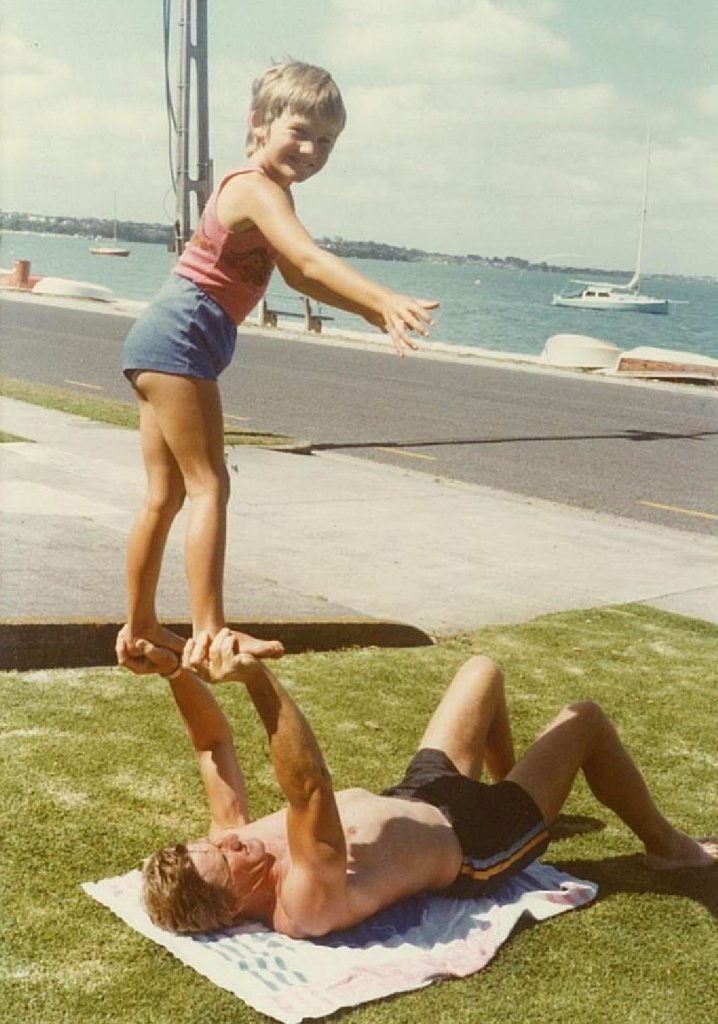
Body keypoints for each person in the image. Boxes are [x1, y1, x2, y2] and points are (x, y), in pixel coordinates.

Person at [121, 61, 439, 658]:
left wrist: (371, 313)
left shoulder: (270, 193)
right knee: (209, 485)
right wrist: (384, 296)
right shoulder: (254, 188)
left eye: (327, 141)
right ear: (259, 123)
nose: (313, 149)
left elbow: (296, 275)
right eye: (300, 131)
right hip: (181, 339)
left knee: (165, 497)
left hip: (162, 339)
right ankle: (210, 631)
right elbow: (312, 260)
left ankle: (139, 627)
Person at [116, 628, 718, 938]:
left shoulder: (230, 845)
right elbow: (310, 790)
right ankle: (670, 850)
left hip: (420, 793)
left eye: (217, 842)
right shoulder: (303, 903)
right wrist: (255, 680)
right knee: (585, 719)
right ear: (231, 906)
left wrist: (171, 670)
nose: (233, 840)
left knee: (481, 671)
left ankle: (530, 800)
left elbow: (210, 745)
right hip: (479, 841)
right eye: (229, 857)